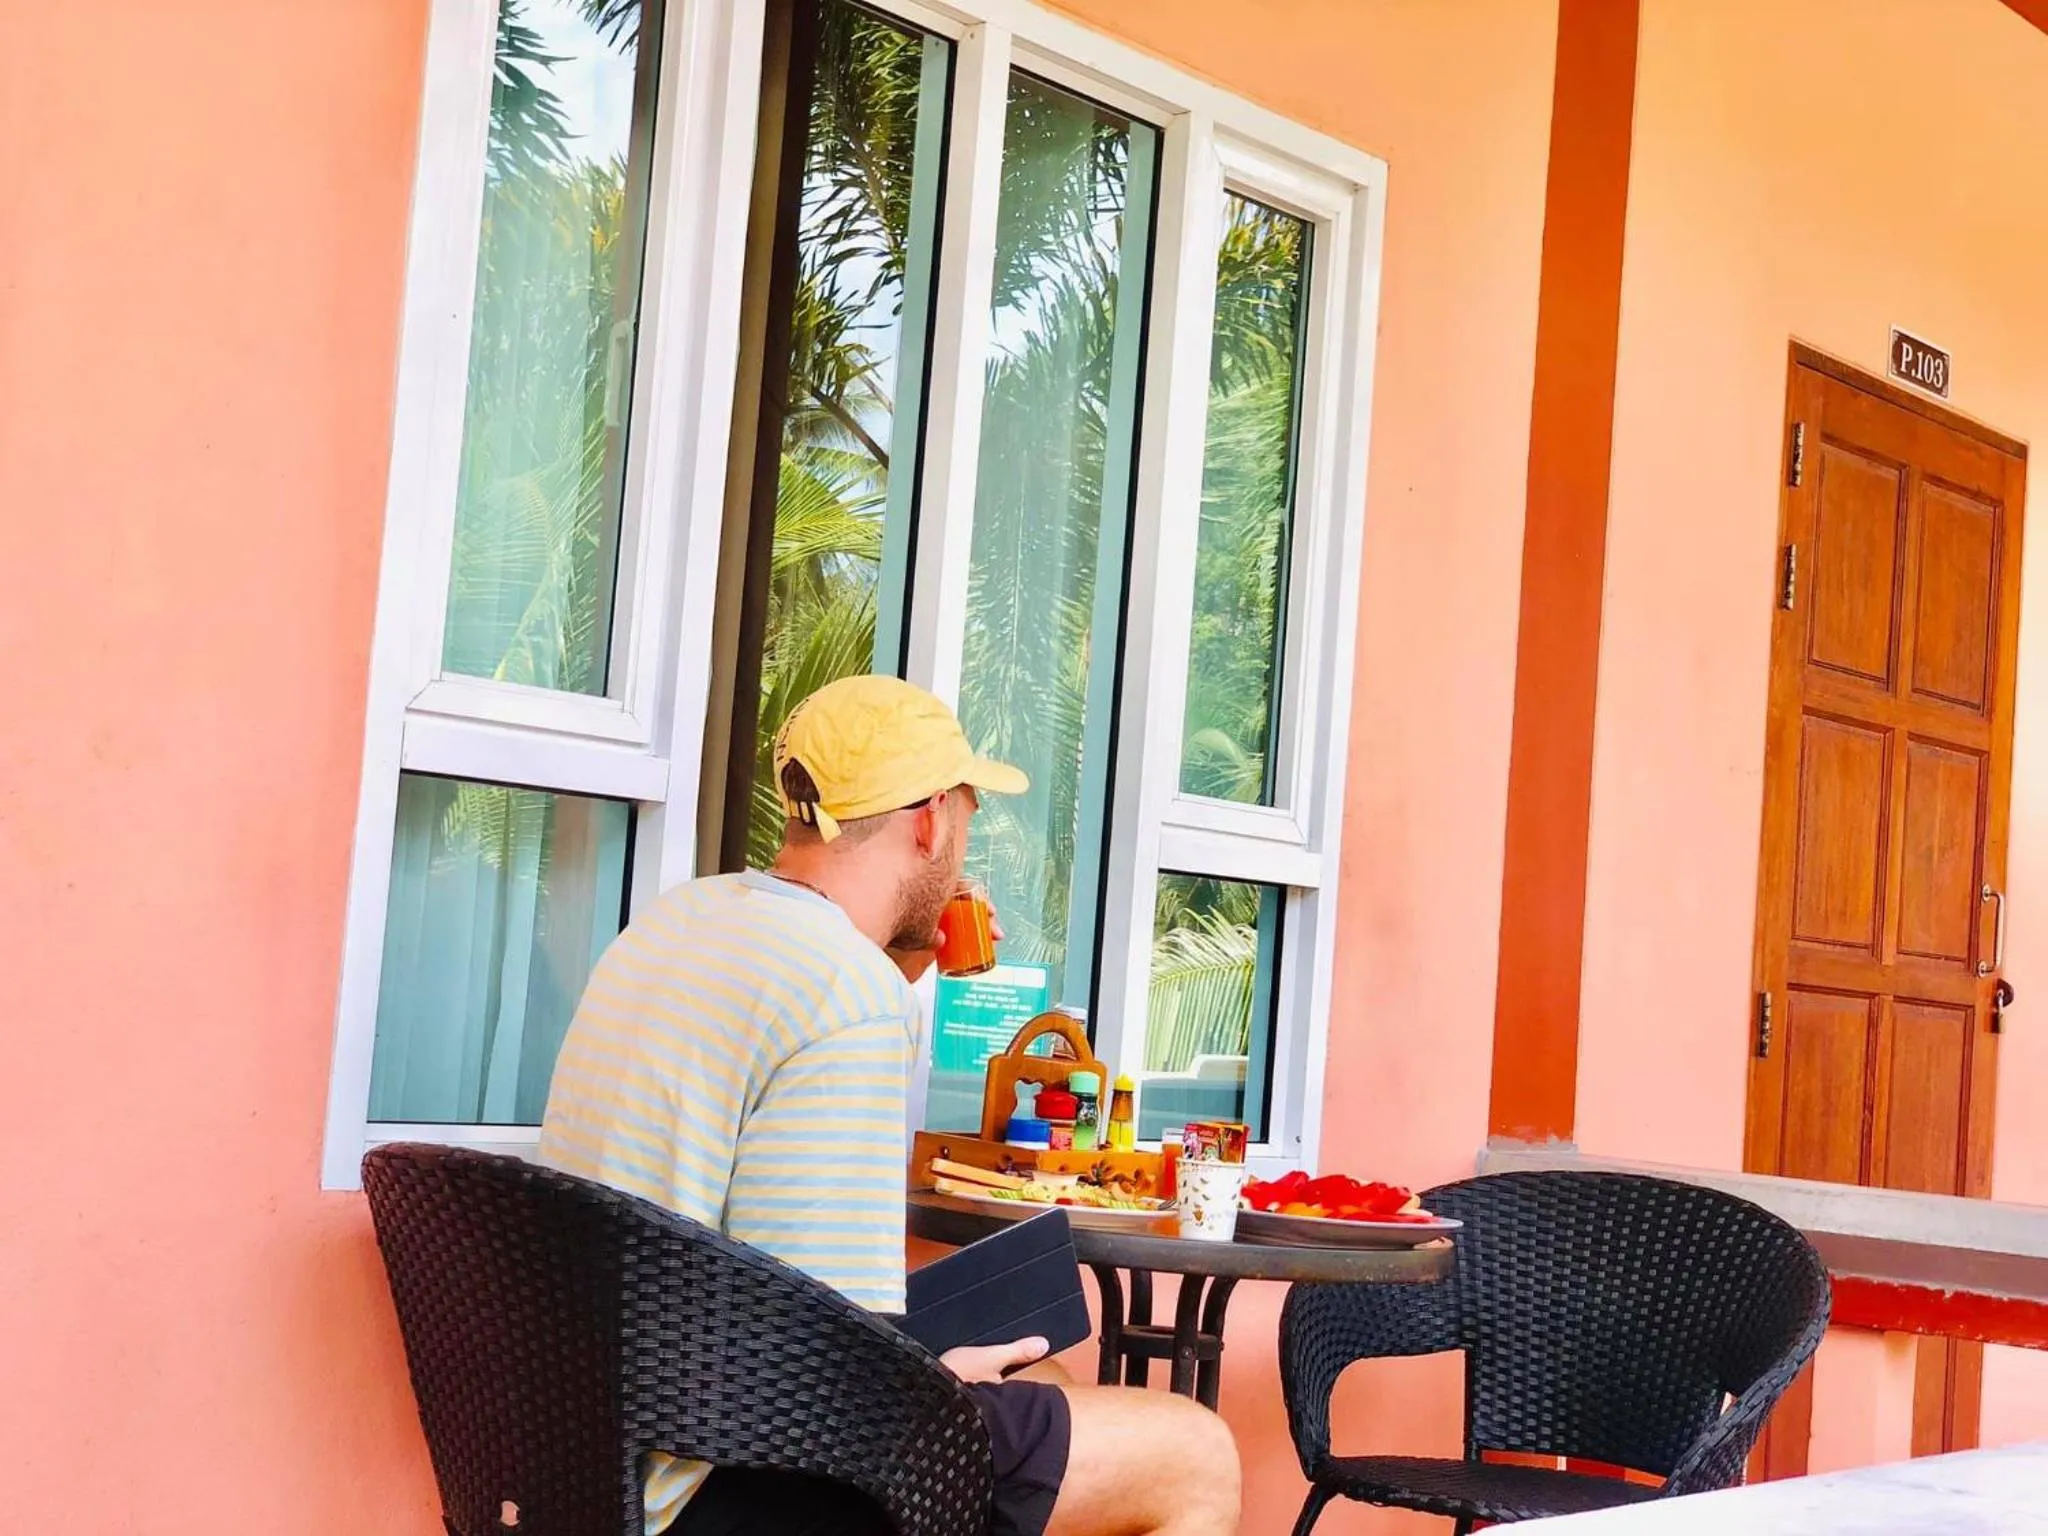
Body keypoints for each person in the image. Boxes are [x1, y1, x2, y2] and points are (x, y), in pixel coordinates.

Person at [538, 674, 1241, 1536]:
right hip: (719, 1482)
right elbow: (832, 1371)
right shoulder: (848, 993)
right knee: (1193, 1452)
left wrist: (899, 964)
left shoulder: (685, 918)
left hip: (604, 1441)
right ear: (931, 819)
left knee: (1046, 1376)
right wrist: (939, 1382)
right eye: (969, 817)